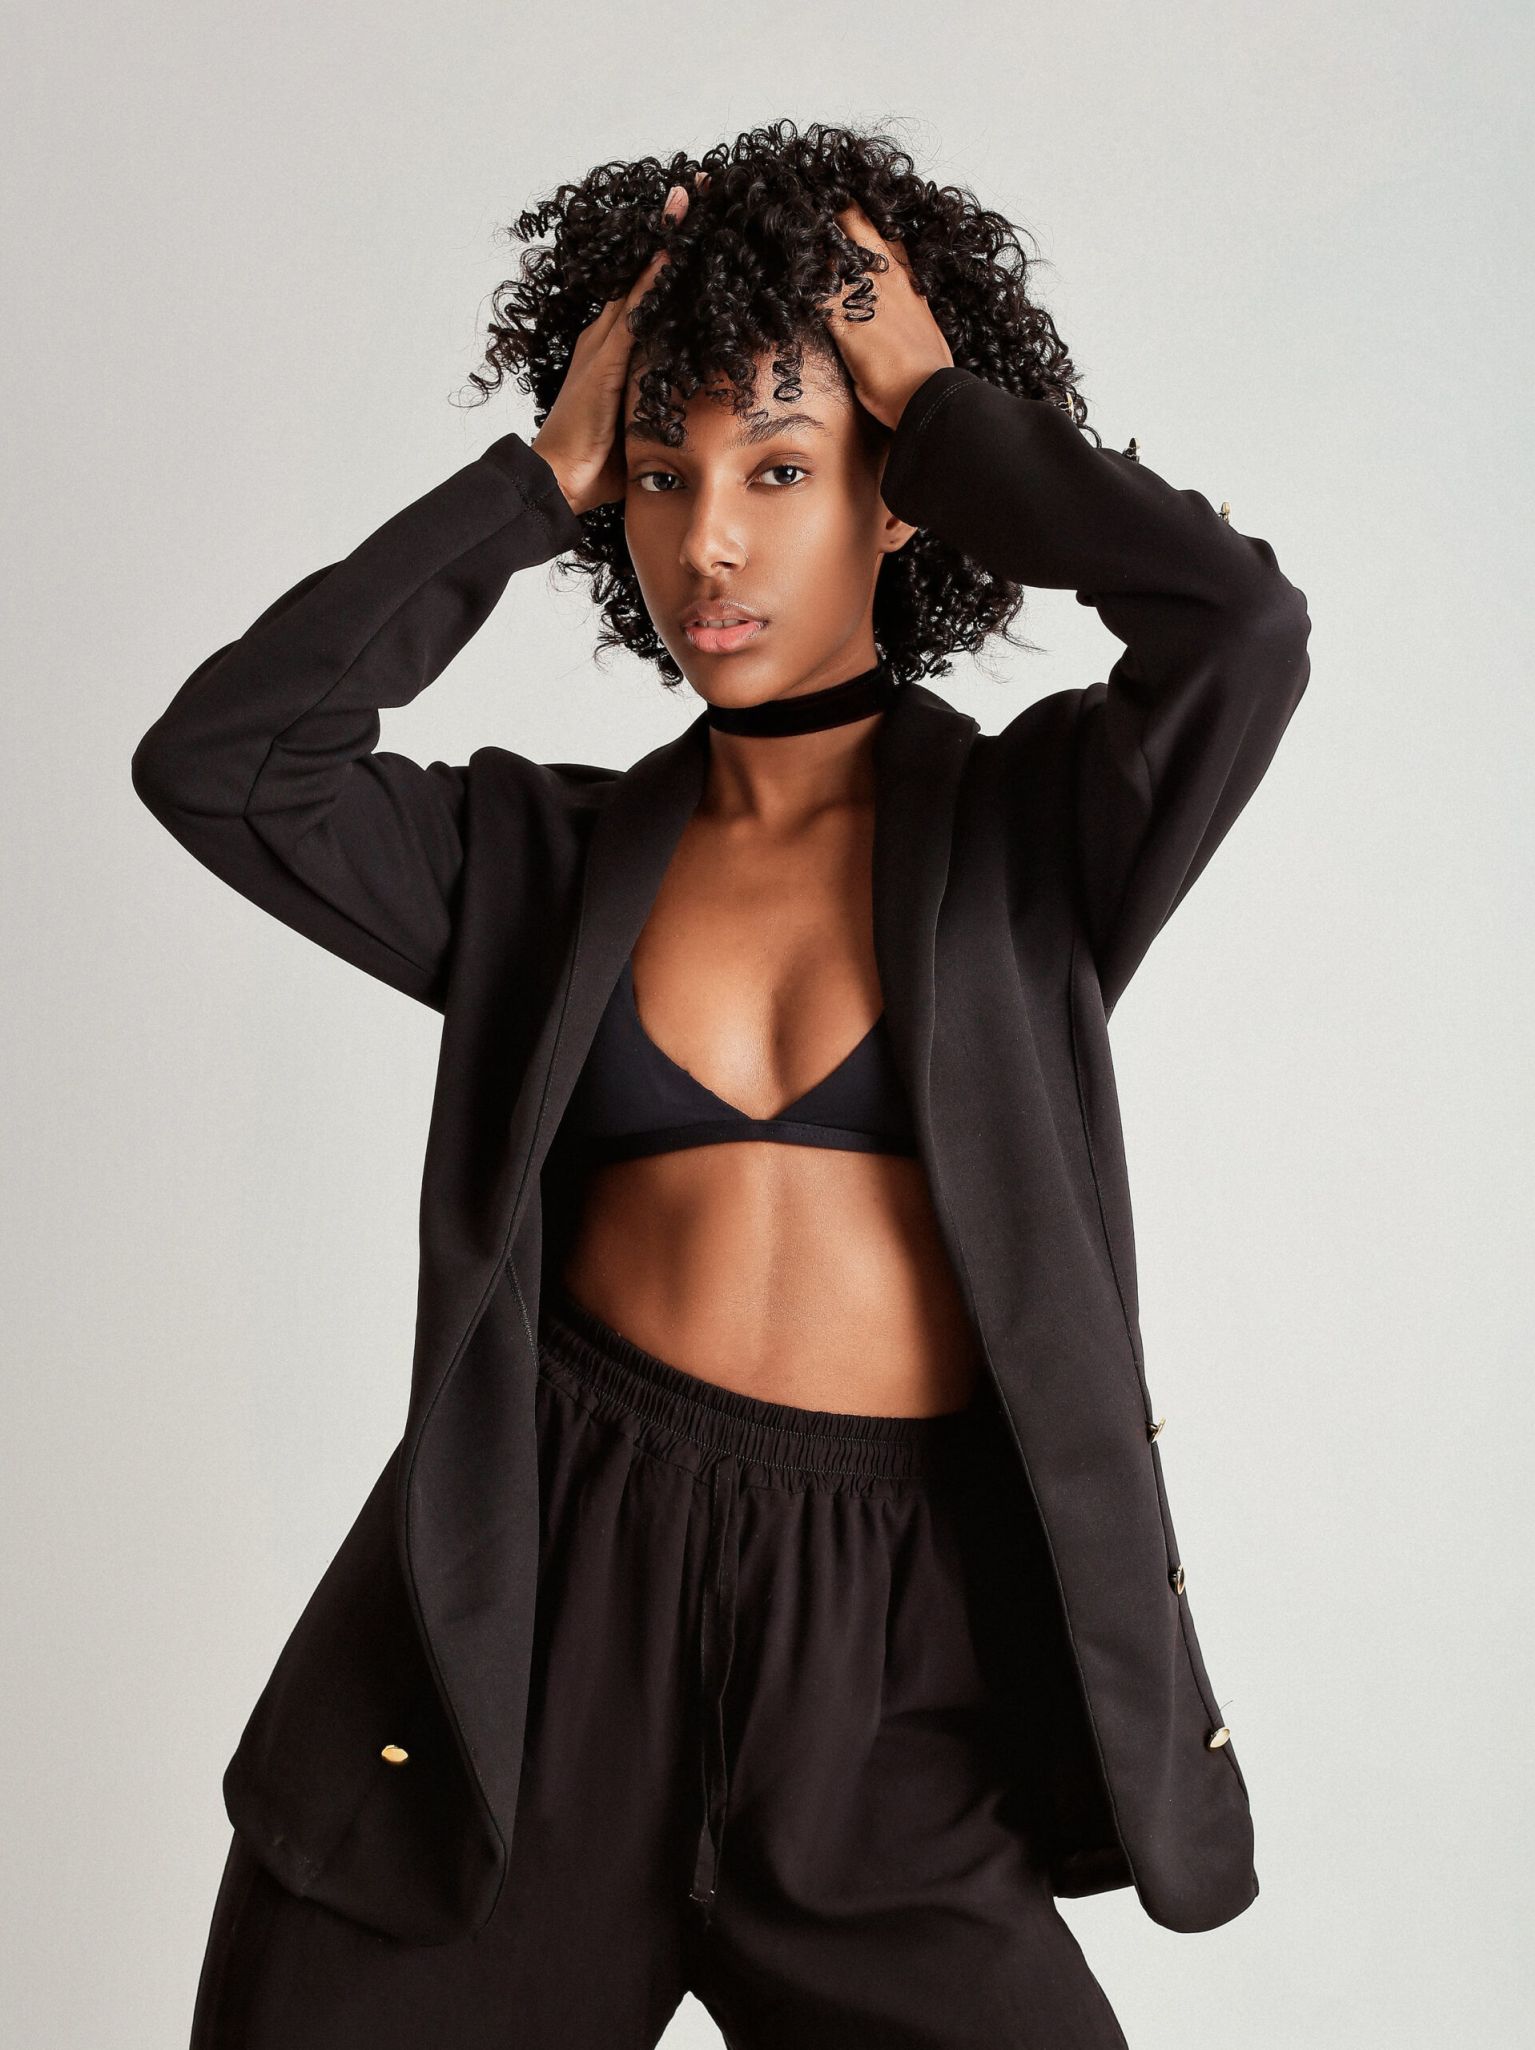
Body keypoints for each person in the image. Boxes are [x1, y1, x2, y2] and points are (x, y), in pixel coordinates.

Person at [135, 121, 1308, 2049]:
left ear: (893, 496)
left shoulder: (1038, 835)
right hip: (542, 1629)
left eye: (780, 467)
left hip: (889, 1673)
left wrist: (947, 411)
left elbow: (1241, 630)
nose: (710, 547)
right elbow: (226, 763)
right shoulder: (535, 861)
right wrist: (532, 484)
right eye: (663, 477)